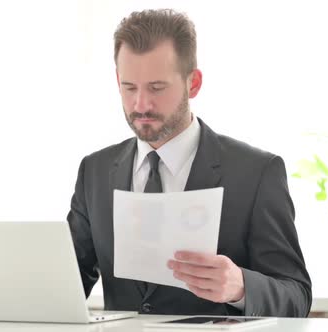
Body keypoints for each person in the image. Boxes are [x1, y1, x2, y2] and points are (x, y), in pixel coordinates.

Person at [66, 9, 311, 317]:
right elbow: (68, 279)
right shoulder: (95, 171)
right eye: (129, 87)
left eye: (157, 87)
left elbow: (297, 296)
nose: (141, 104)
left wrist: (241, 287)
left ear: (193, 83)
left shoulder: (257, 173)